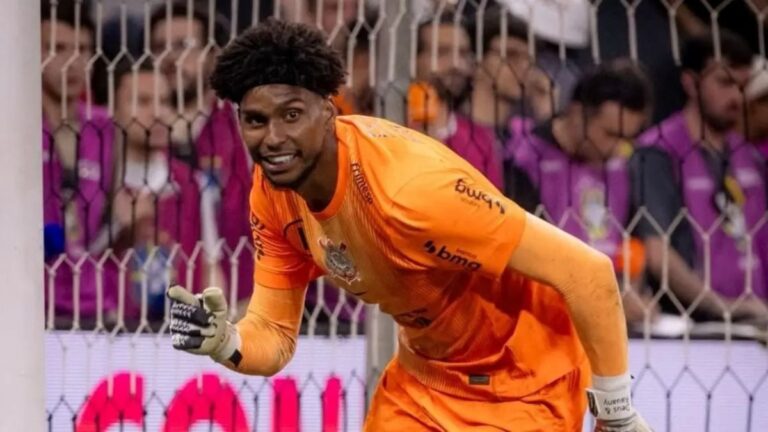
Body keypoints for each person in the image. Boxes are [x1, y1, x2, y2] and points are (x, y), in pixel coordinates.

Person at [167, 19, 651, 431]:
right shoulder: (272, 191)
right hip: (424, 378)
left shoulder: (410, 192)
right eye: (255, 121)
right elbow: (273, 334)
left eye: (291, 115)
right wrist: (226, 341)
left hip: (522, 382)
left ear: (329, 110)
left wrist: (616, 414)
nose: (273, 139)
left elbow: (588, 273)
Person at [508, 60, 659, 325]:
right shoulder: (524, 160)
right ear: (577, 113)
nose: (618, 148)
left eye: (627, 138)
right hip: (541, 318)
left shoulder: (621, 164)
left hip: (611, 318)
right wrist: (601, 296)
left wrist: (633, 291)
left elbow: (631, 241)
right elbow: (524, 257)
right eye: (611, 134)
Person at [633, 32, 768, 323]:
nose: (736, 96)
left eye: (743, 86)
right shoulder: (656, 152)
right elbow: (658, 254)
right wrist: (725, 307)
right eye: (725, 83)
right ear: (691, 83)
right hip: (693, 329)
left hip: (758, 321)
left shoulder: (751, 157)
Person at [149, 1, 254, 308]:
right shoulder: (134, 128)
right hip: (153, 311)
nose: (170, 58)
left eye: (185, 45)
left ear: (212, 56)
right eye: (158, 47)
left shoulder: (242, 123)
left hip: (241, 305)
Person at [41, 0, 117, 322]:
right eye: (57, 48)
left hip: (95, 306)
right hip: (26, 302)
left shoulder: (106, 127)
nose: (72, 62)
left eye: (82, 49)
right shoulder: (11, 126)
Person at [409, 12, 504, 190]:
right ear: (414, 60)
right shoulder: (386, 123)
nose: (456, 64)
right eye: (442, 52)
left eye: (463, 54)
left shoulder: (481, 139)